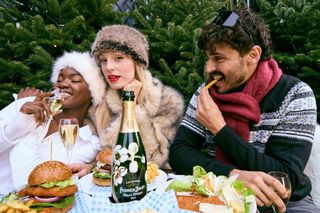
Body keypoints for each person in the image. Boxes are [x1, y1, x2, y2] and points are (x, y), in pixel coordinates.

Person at [169, 6, 319, 213]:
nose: (208, 69)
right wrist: (232, 176)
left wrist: (219, 129)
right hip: (220, 194)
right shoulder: (207, 93)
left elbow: (284, 179)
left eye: (218, 58)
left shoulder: (295, 95)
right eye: (207, 58)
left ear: (253, 54)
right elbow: (179, 153)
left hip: (286, 204)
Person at [0, 51, 106, 195]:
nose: (63, 84)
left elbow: (30, 182)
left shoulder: (87, 144)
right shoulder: (25, 106)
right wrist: (19, 123)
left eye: (74, 80)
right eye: (59, 79)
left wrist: (32, 127)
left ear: (93, 92)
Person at [89, 24, 184, 169]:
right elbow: (103, 160)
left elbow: (151, 161)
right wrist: (90, 167)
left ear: (137, 62)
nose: (108, 67)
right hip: (108, 187)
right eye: (103, 60)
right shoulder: (99, 105)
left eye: (118, 58)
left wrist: (131, 107)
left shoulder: (168, 101)